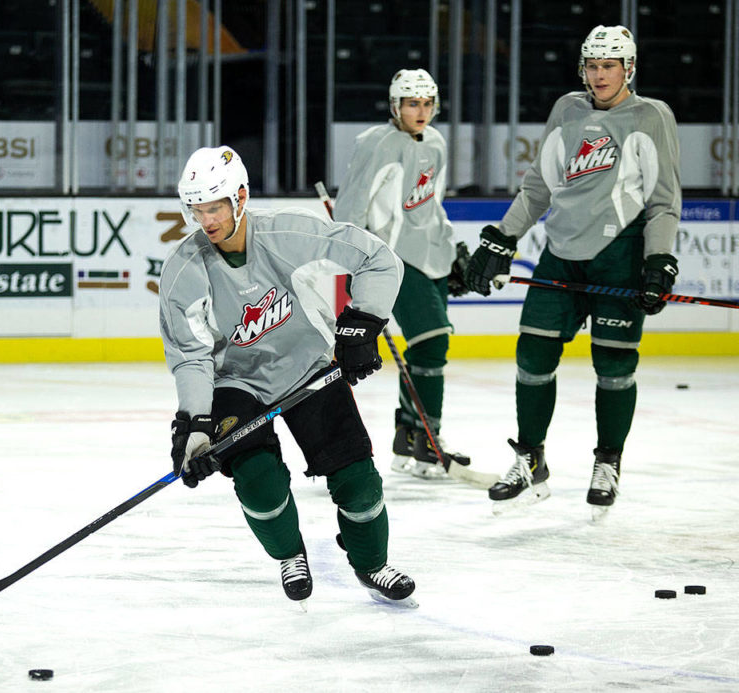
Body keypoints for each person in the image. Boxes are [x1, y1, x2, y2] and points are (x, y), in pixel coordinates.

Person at [159, 145, 416, 605]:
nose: (206, 220)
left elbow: (380, 260)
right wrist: (195, 425)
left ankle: (372, 564)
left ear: (240, 197)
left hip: (310, 367)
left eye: (214, 206)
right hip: (234, 382)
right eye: (196, 209)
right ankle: (288, 553)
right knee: (258, 480)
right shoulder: (183, 269)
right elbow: (192, 355)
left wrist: (364, 323)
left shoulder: (289, 231)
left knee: (359, 483)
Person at [464, 25, 681, 520]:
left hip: (620, 254)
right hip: (561, 252)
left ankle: (608, 462)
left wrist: (658, 259)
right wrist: (503, 237)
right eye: (592, 65)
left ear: (629, 68)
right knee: (532, 357)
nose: (599, 75)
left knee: (614, 367)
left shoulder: (651, 116)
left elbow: (665, 200)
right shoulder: (566, 108)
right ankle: (530, 458)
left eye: (610, 66)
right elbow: (539, 185)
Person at [333, 68, 471, 480]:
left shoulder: (437, 142)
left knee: (426, 347)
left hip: (431, 257)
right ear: (396, 106)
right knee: (432, 342)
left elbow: (432, 205)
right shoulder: (377, 144)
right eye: (413, 103)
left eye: (428, 103)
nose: (421, 111)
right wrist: (355, 261)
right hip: (393, 259)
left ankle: (409, 436)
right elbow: (351, 209)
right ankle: (429, 439)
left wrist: (451, 250)